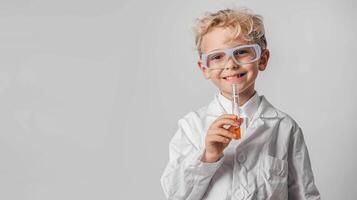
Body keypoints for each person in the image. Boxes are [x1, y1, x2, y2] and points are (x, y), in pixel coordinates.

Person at [160, 8, 320, 200]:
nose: (231, 64)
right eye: (217, 56)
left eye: (242, 52)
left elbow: (305, 195)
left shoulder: (285, 128)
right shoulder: (192, 126)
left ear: (262, 59)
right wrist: (208, 156)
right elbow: (176, 195)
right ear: (205, 69)